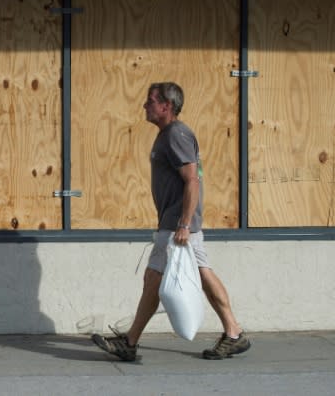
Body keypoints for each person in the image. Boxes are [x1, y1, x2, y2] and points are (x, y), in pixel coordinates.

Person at [91, 82, 250, 361]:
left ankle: (130, 342)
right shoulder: (169, 134)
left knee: (157, 278)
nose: (145, 105)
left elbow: (192, 180)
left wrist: (184, 225)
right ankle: (233, 332)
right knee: (192, 274)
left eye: (150, 100)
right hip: (176, 222)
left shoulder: (176, 134)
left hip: (177, 225)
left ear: (166, 106)